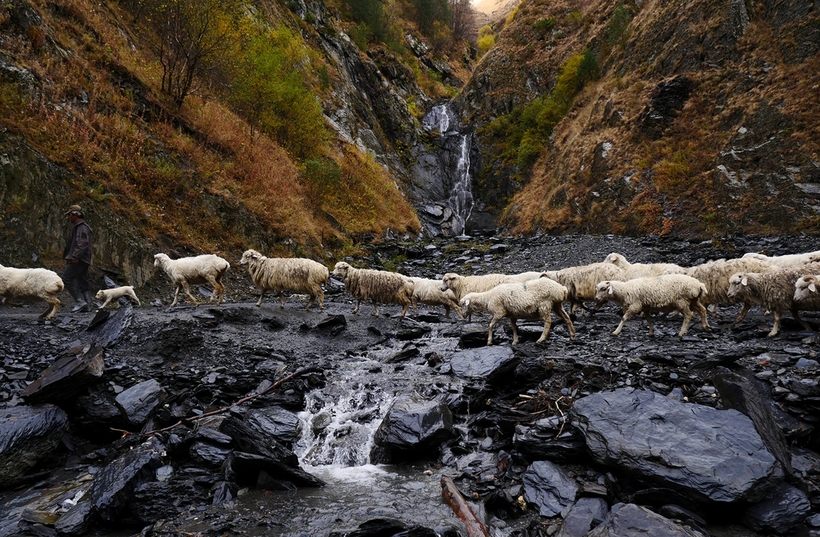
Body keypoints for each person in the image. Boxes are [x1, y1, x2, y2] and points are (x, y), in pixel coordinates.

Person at [63, 204, 94, 312]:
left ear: (74, 215)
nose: (68, 217)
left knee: (66, 278)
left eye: (69, 215)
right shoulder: (82, 227)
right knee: (82, 281)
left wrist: (75, 256)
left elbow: (82, 244)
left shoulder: (81, 227)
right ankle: (88, 306)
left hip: (79, 259)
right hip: (84, 259)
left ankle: (80, 302)